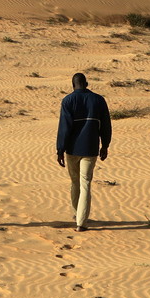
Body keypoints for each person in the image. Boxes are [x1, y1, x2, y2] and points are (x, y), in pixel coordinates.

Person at [56, 73, 111, 232]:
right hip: (90, 148)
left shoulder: (67, 101)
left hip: (72, 149)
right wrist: (105, 145)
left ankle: (77, 214)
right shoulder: (98, 100)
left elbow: (64, 128)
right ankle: (81, 222)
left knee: (75, 183)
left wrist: (60, 150)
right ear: (86, 83)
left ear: (73, 85)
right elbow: (105, 125)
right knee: (85, 183)